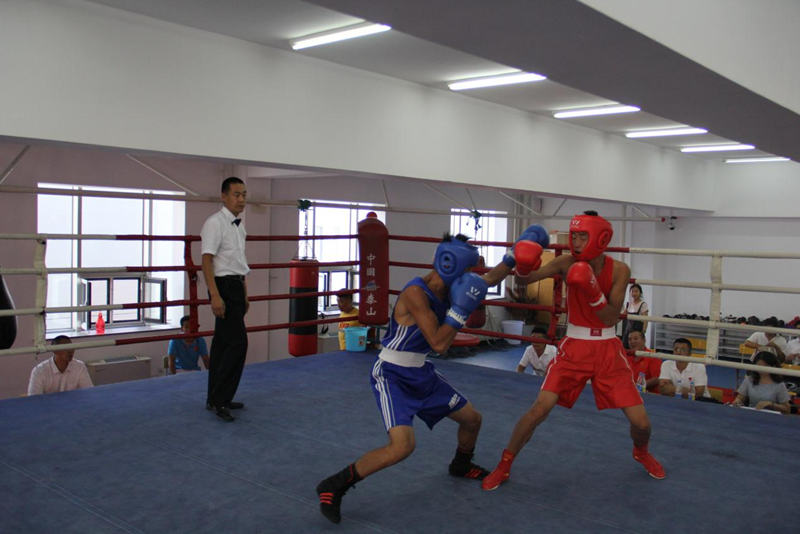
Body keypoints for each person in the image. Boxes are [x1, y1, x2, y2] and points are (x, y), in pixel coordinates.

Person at [315, 226, 549, 524]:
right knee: (402, 447)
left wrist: (513, 256)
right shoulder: (415, 293)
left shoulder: (452, 286)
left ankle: (461, 464)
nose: (470, 276)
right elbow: (439, 344)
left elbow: (487, 280)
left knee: (472, 420)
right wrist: (460, 311)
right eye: (467, 269)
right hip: (392, 374)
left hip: (421, 372)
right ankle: (333, 485)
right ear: (449, 264)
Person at [482, 211, 665, 493]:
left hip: (607, 347)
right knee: (539, 409)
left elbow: (610, 318)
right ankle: (504, 464)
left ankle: (641, 451)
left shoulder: (619, 270)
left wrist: (592, 291)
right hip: (575, 345)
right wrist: (523, 264)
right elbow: (523, 282)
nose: (576, 243)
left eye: (583, 237)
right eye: (574, 236)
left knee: (641, 424)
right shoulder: (566, 263)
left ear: (600, 239)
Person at [201, 177, 250, 422]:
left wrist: (245, 293)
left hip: (236, 286)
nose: (241, 199)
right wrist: (214, 295)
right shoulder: (215, 223)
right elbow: (206, 261)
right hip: (223, 287)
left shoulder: (239, 226)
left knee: (221, 345)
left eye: (244, 195)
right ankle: (220, 399)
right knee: (238, 344)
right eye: (236, 194)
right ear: (224, 196)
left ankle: (215, 397)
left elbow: (239, 262)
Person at [27, 335, 93, 395]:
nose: (70, 351)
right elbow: (34, 399)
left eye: (72, 347)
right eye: (66, 348)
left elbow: (89, 392)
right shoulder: (39, 371)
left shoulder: (79, 367)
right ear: (55, 351)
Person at [626, 329, 661, 393]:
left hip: (648, 394)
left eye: (636, 339)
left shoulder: (653, 356)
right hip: (628, 391)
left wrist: (637, 387)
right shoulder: (626, 356)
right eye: (629, 339)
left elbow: (657, 379)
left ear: (644, 340)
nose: (632, 342)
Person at [622, 283, 648, 348]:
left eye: (636, 291)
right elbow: (622, 316)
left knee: (637, 349)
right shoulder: (628, 304)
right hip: (628, 332)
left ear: (640, 292)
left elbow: (645, 320)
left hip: (637, 333)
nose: (634, 293)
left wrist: (643, 332)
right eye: (632, 291)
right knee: (625, 348)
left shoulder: (643, 304)